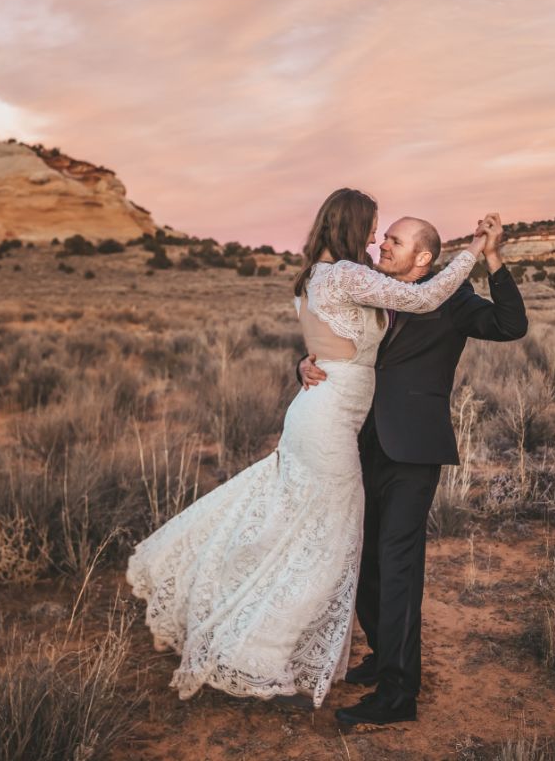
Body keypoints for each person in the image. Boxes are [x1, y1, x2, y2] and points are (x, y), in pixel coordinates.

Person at [125, 188, 492, 710]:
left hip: (326, 415)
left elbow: (330, 337)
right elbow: (424, 297)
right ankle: (262, 652)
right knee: (326, 542)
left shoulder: (316, 276)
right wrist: (474, 250)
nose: (376, 237)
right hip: (328, 424)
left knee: (312, 534)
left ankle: (264, 638)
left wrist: (307, 361)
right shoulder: (343, 273)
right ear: (350, 226)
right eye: (371, 227)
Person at [298, 212, 527, 726]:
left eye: (394, 242)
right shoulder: (369, 288)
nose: (381, 245)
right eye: (384, 239)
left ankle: (399, 695)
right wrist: (303, 364)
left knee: (398, 564)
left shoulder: (453, 297)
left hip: (413, 448)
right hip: (356, 441)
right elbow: (337, 340)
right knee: (366, 560)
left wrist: (491, 258)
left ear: (423, 257)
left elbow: (512, 326)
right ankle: (384, 655)